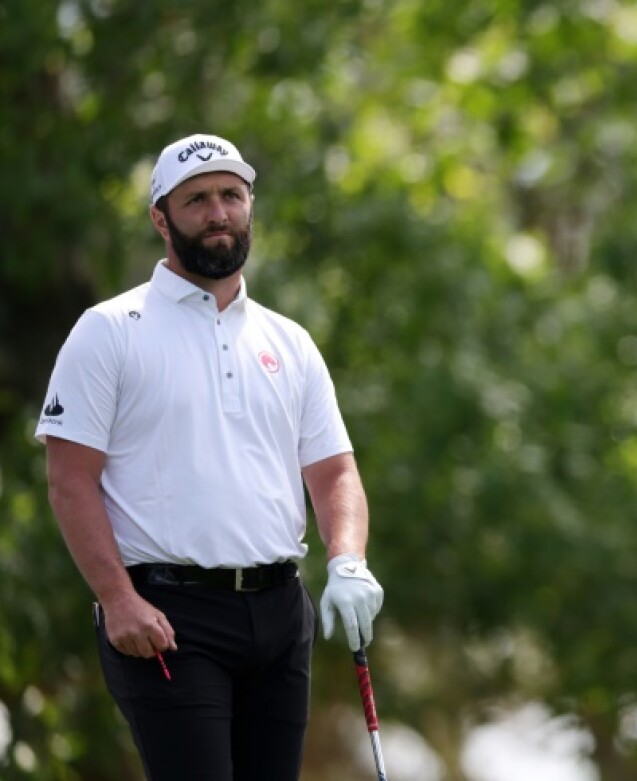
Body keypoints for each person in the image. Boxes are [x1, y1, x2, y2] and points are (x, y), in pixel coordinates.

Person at [36, 133, 385, 781]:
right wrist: (117, 597)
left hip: (282, 612)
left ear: (251, 204)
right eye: (196, 199)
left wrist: (348, 560)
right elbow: (69, 480)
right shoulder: (110, 329)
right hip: (167, 619)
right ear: (160, 218)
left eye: (232, 195)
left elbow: (334, 470)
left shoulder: (290, 339)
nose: (218, 212)